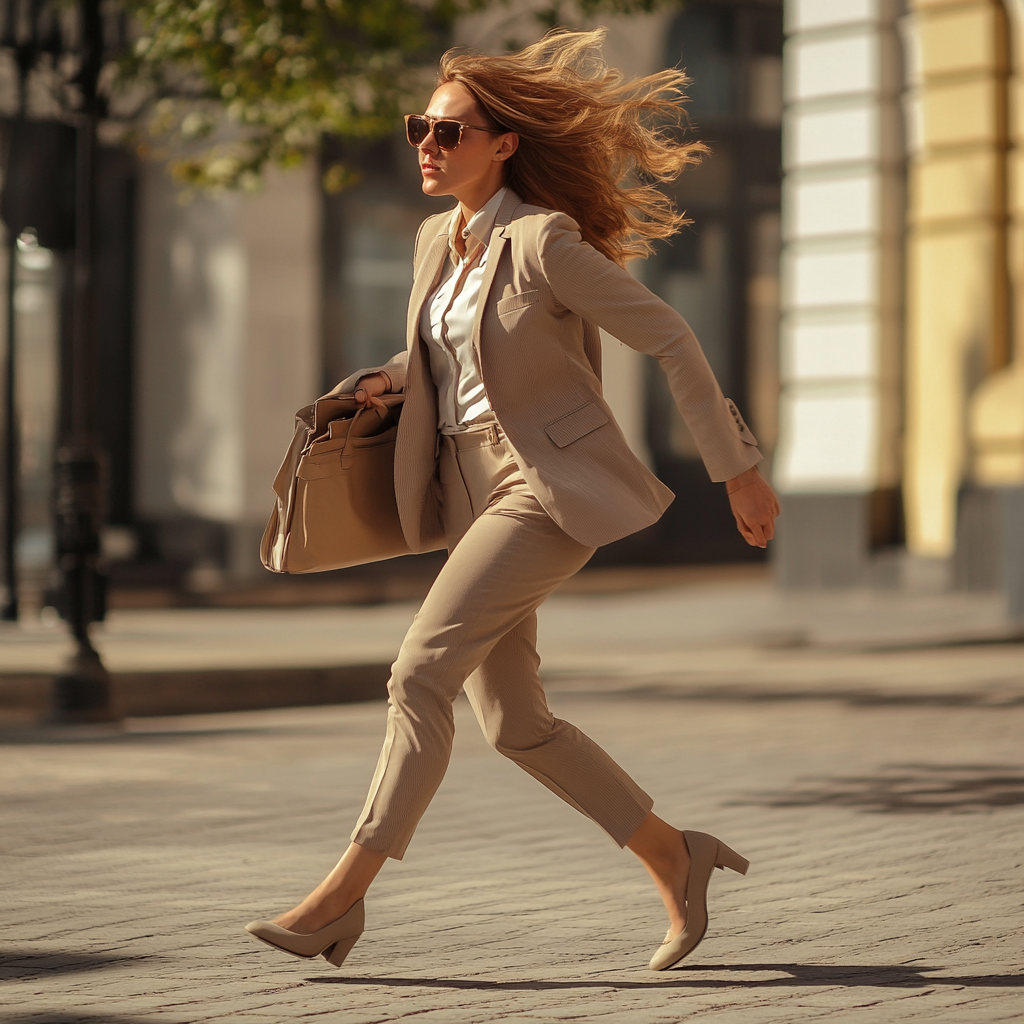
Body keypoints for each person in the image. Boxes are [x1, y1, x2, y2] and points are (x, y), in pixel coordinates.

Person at [245, 28, 780, 973]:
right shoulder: (433, 242)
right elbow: (448, 358)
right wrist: (386, 379)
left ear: (504, 146)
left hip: (544, 488)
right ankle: (675, 856)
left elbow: (671, 339)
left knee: (419, 676)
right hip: (470, 491)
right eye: (422, 128)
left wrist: (734, 464)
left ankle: (340, 899)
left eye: (448, 132)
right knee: (515, 723)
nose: (426, 144)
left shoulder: (545, 243)